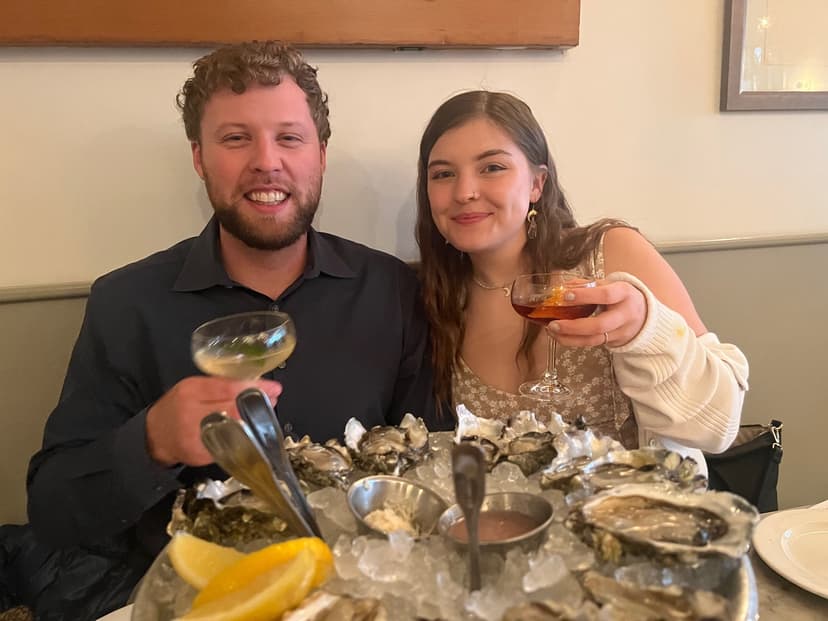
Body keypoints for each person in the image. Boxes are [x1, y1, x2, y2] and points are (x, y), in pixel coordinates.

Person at [16, 41, 441, 620]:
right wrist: (152, 442)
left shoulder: (390, 290)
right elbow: (54, 507)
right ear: (199, 157)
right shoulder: (126, 302)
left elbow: (430, 469)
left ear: (320, 153)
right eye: (236, 138)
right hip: (196, 598)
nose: (267, 162)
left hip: (356, 597)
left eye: (289, 138)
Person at [415, 90, 749, 469]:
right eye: (443, 174)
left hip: (638, 519)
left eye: (492, 168)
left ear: (536, 184)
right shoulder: (434, 299)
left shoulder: (611, 254)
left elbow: (719, 427)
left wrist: (647, 329)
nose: (464, 192)